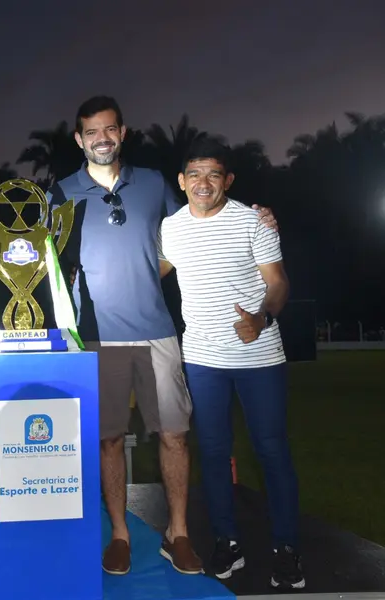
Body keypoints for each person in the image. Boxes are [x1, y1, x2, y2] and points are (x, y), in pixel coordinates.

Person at [47, 95, 278, 576]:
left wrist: (259, 218)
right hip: (95, 336)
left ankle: (178, 534)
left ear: (123, 132)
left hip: (158, 332)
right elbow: (39, 259)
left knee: (174, 436)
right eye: (91, 132)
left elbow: (200, 218)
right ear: (79, 139)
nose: (102, 139)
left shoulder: (153, 184)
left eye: (110, 129)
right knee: (109, 438)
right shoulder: (60, 193)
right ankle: (120, 535)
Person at [158, 137, 304, 589]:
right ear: (181, 182)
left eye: (214, 174)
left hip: (259, 357)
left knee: (271, 450)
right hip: (202, 359)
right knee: (215, 453)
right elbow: (143, 272)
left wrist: (261, 317)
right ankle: (228, 542)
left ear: (228, 180)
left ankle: (286, 548)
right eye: (195, 174)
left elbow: (278, 283)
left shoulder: (253, 222)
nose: (204, 183)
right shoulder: (170, 228)